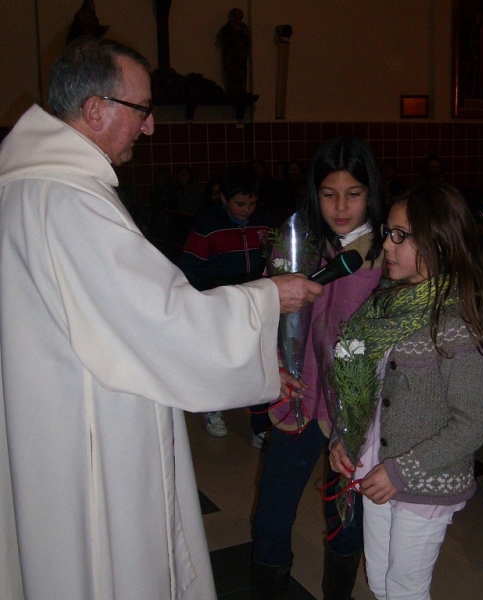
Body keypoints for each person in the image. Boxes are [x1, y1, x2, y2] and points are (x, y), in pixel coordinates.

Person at [0, 37, 322, 600]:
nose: (149, 128)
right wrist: (268, 297)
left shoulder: (24, 185)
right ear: (96, 108)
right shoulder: (69, 201)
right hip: (88, 431)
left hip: (43, 420)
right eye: (142, 110)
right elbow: (164, 322)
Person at [330, 182, 483, 600]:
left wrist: (401, 471)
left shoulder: (453, 323)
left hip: (424, 480)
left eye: (400, 235)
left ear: (438, 242)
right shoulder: (383, 305)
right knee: (381, 580)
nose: (386, 243)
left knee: (405, 587)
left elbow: (472, 423)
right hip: (375, 467)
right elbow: (361, 388)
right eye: (388, 231)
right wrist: (343, 438)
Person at [251, 136, 386, 600]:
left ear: (371, 194)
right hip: (299, 398)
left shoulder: (387, 255)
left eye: (354, 194)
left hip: (354, 412)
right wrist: (273, 363)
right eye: (329, 194)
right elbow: (276, 321)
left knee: (343, 518)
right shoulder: (304, 245)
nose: (341, 207)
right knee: (271, 513)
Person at [179, 167, 272, 438]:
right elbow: (190, 268)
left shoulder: (263, 223)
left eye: (252, 204)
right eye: (240, 204)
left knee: (257, 360)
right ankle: (212, 408)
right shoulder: (207, 226)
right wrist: (198, 302)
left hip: (254, 303)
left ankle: (259, 424)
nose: (246, 210)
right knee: (218, 359)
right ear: (223, 198)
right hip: (218, 303)